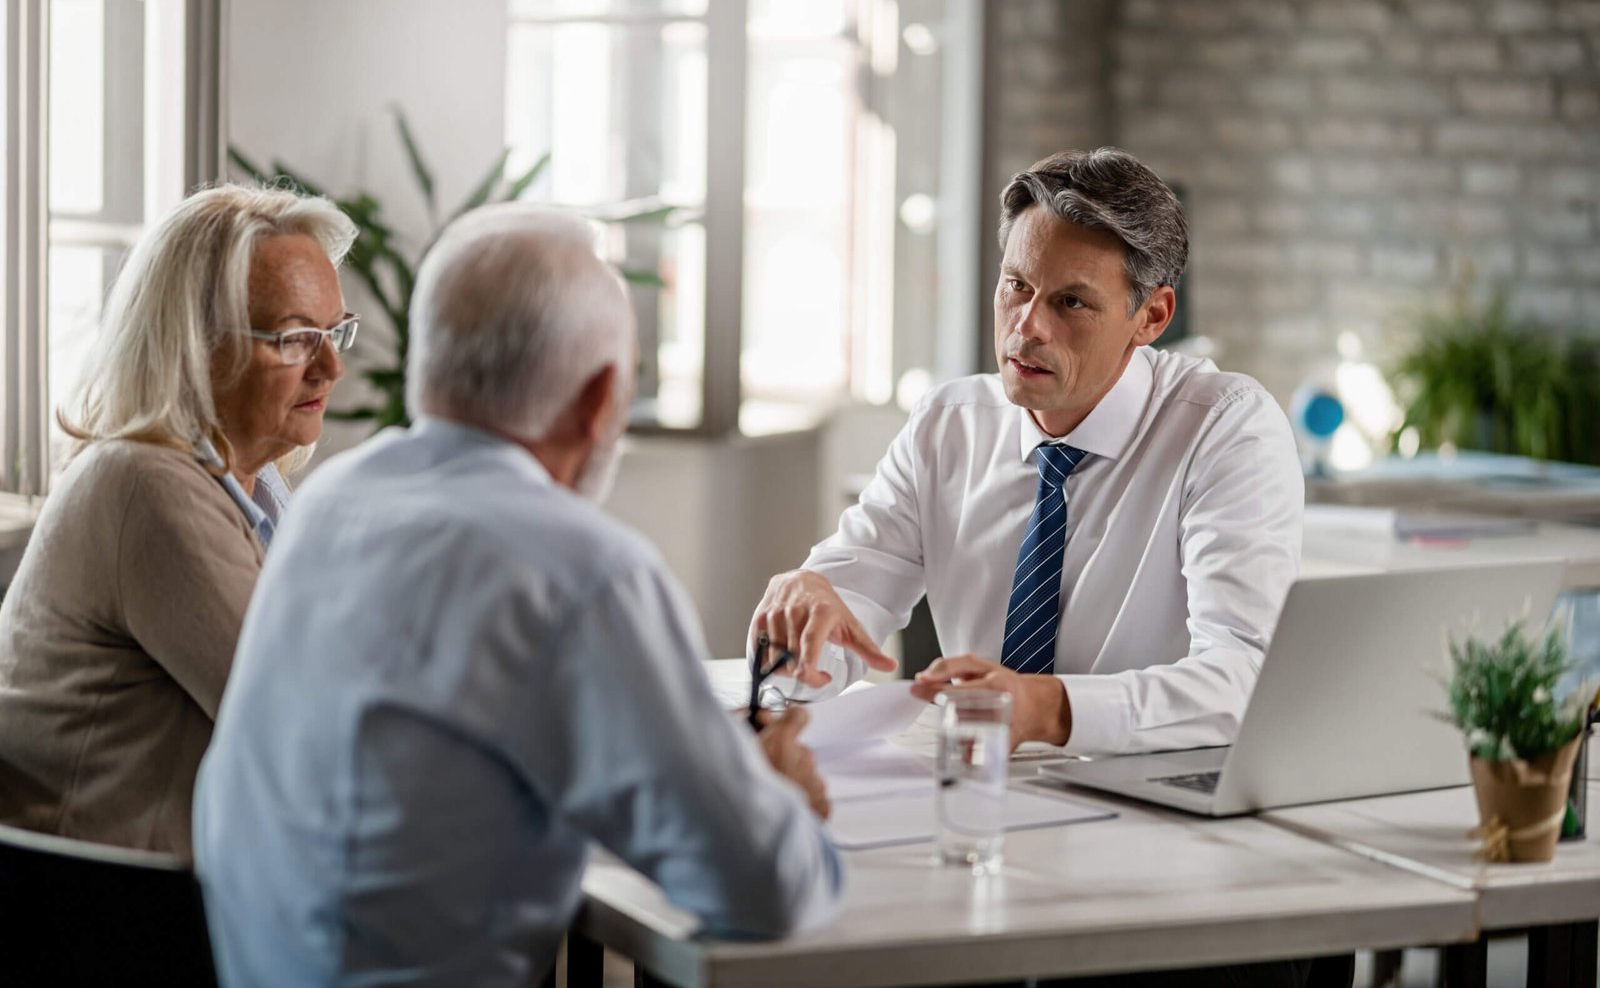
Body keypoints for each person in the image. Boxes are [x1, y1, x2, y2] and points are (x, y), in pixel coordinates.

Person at [194, 205, 842, 987]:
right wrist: (774, 799)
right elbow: (766, 889)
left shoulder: (332, 501)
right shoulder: (581, 570)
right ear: (602, 397)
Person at [751, 147, 1304, 756]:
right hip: (977, 788)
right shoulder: (948, 425)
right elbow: (845, 609)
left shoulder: (1226, 429)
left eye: (1070, 302)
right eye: (1016, 286)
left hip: (1150, 801)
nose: (1026, 327)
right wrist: (801, 633)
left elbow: (1247, 677)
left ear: (1152, 316)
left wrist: (1047, 708)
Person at [0, 183, 356, 856]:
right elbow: (311, 732)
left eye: (336, 331)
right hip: (98, 926)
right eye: (296, 338)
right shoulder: (146, 484)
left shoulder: (256, 487)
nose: (332, 366)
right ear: (196, 344)